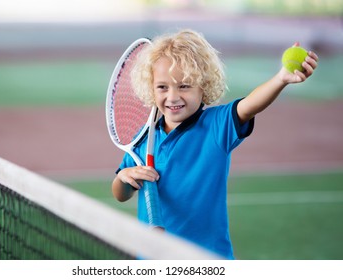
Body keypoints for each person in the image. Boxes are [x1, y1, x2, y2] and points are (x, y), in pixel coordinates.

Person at [111, 29, 318, 259]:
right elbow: (121, 193)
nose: (173, 96)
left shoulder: (216, 126)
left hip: (207, 259)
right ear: (151, 87)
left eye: (184, 86)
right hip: (152, 259)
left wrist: (281, 79)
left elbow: (249, 106)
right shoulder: (143, 137)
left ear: (204, 85)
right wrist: (124, 178)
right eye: (163, 87)